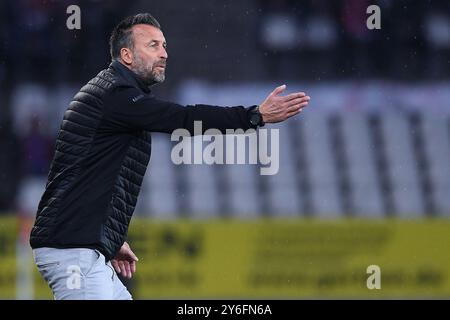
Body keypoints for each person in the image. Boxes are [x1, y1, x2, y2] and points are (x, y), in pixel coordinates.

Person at [29, 12, 311, 300]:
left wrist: (105, 237)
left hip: (82, 246)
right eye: (153, 45)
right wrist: (254, 116)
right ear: (126, 55)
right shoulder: (116, 95)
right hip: (74, 253)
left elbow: (75, 174)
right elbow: (184, 119)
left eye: (164, 45)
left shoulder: (110, 94)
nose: (164, 53)